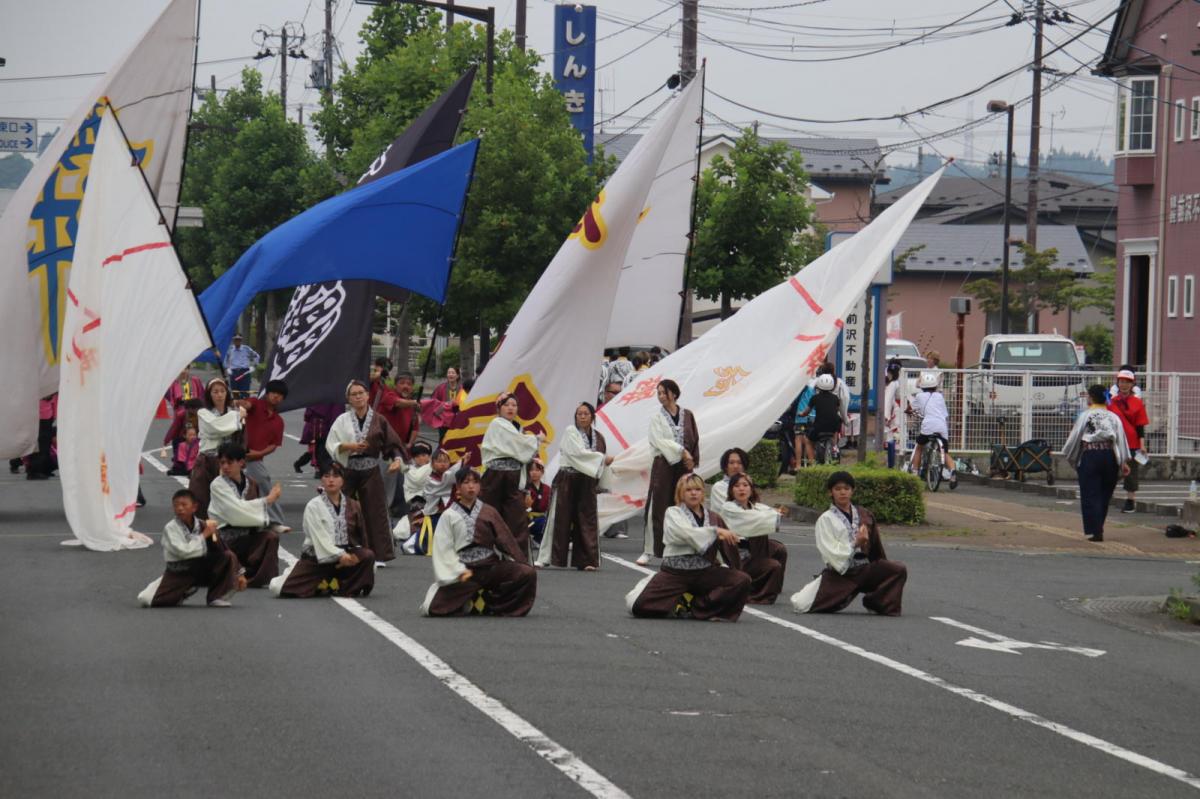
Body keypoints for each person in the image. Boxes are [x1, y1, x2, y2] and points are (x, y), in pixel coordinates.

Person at [625, 473, 751, 621]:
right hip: (676, 573)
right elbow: (684, 533)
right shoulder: (673, 512)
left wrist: (736, 555)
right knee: (639, 606)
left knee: (741, 580)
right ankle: (678, 599)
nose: (693, 493)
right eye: (688, 490)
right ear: (681, 493)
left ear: (703, 492)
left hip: (704, 572)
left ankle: (695, 606)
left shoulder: (714, 517)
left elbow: (728, 545)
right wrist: (715, 531)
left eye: (697, 489)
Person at [420, 469, 537, 617]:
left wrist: (521, 561)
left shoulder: (489, 512)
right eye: (466, 482)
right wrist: (456, 570)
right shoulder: (448, 515)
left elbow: (506, 540)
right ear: (458, 487)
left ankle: (493, 606)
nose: (471, 486)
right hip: (464, 571)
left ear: (480, 487)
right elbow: (443, 549)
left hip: (490, 567)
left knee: (527, 574)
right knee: (434, 608)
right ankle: (471, 602)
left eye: (475, 482)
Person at [790, 471, 907, 616]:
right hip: (842, 573)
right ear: (830, 492)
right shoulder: (825, 519)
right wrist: (855, 543)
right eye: (838, 489)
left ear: (852, 491)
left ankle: (875, 602)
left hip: (865, 567)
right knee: (801, 604)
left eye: (846, 488)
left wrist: (880, 565)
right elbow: (830, 551)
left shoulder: (864, 514)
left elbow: (875, 545)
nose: (843, 492)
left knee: (897, 570)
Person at [326, 380, 405, 563]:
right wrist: (349, 446)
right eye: (354, 394)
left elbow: (392, 443)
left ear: (368, 395)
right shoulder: (342, 420)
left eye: (361, 393)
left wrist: (397, 460)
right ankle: (340, 550)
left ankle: (379, 554)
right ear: (348, 399)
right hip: (347, 469)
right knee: (342, 509)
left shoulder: (379, 420)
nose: (358, 397)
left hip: (371, 469)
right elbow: (331, 443)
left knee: (375, 510)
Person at [270, 463, 375, 598]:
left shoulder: (353, 505)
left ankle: (342, 586)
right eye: (327, 476)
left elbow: (362, 535)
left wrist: (357, 555)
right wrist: (339, 554)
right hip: (317, 559)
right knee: (284, 588)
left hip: (344, 558)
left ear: (343, 480)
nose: (331, 480)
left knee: (367, 556)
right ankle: (322, 583)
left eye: (336, 476)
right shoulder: (313, 506)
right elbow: (319, 538)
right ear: (321, 480)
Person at [537, 402, 613, 570]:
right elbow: (577, 454)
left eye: (586, 413)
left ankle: (587, 560)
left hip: (586, 481)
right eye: (579, 414)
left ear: (592, 416)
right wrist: (601, 458)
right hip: (567, 478)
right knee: (558, 519)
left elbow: (599, 460)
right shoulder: (570, 432)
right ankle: (545, 557)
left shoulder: (599, 437)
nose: (583, 417)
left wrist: (600, 477)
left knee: (587, 520)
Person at [137, 489, 243, 608]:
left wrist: (239, 572)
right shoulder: (170, 528)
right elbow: (183, 551)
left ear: (194, 507)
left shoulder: (203, 525)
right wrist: (204, 535)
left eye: (184, 505)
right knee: (150, 601)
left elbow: (222, 548)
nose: (180, 508)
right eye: (176, 505)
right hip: (180, 571)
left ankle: (216, 596)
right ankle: (184, 590)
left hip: (201, 567)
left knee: (227, 556)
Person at [640, 379, 699, 566]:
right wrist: (682, 451)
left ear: (673, 393)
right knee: (657, 507)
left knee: (685, 505)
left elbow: (694, 438)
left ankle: (684, 548)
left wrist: (691, 459)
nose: (661, 396)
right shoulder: (657, 418)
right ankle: (650, 550)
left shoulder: (687, 415)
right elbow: (659, 441)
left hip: (684, 466)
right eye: (658, 393)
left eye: (664, 392)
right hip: (664, 465)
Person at [209, 442, 284, 588]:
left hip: (247, 537)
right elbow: (236, 511)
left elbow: (254, 514)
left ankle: (257, 578)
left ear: (241, 462)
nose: (225, 466)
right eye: (222, 462)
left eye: (229, 462)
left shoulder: (251, 483)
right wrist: (267, 501)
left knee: (271, 537)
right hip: (226, 540)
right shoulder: (217, 485)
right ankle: (236, 572)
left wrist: (272, 525)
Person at [479, 393, 544, 558]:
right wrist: (536, 439)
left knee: (516, 519)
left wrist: (526, 488)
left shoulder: (517, 428)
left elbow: (523, 453)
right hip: (495, 477)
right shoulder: (497, 423)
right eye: (506, 405)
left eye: (514, 405)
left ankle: (515, 558)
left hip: (513, 476)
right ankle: (483, 555)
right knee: (488, 515)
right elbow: (520, 444)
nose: (510, 408)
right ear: (499, 408)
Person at [1063, 385, 1131, 542]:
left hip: (1090, 455)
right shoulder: (1114, 417)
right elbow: (1121, 439)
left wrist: (1073, 457)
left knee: (1090, 493)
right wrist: (1123, 462)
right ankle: (1099, 526)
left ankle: (1095, 530)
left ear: (1091, 397)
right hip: (1110, 456)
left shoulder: (1085, 416)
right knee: (1105, 494)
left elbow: (1075, 438)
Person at [720, 474, 787, 604]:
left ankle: (775, 586)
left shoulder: (755, 506)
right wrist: (774, 515)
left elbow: (764, 513)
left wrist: (776, 512)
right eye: (737, 486)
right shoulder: (728, 508)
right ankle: (755, 594)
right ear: (731, 490)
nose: (741, 489)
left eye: (745, 485)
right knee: (774, 566)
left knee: (779, 549)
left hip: (755, 550)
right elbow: (752, 518)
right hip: (739, 556)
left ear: (751, 489)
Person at [236, 379, 290, 534]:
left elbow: (274, 445)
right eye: (273, 393)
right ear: (267, 393)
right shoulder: (256, 404)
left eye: (280, 395)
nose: (276, 397)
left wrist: (259, 454)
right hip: (236, 454)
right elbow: (247, 405)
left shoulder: (278, 421)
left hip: (254, 460)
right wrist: (241, 403)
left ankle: (274, 521)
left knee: (263, 482)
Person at [188, 377, 242, 517]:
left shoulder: (233, 411)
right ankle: (202, 526)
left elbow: (240, 434)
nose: (219, 395)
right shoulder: (203, 413)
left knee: (228, 499)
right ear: (209, 394)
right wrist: (237, 417)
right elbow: (216, 427)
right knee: (201, 496)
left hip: (228, 461)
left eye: (222, 391)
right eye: (215, 391)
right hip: (207, 460)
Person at [1108, 368, 1149, 514]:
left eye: (1127, 382)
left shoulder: (1137, 403)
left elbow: (1140, 426)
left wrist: (1142, 445)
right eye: (1121, 381)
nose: (1124, 385)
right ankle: (1107, 496)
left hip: (1132, 442)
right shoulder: (1111, 402)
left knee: (1131, 473)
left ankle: (1130, 501)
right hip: (1114, 442)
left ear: (1132, 384)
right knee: (1110, 469)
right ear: (1117, 383)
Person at [907, 371, 957, 488]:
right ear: (935, 386)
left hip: (928, 426)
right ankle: (953, 472)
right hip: (941, 426)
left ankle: (915, 473)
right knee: (944, 452)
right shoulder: (940, 396)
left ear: (922, 387)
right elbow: (945, 414)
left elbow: (910, 408)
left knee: (919, 447)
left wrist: (909, 412)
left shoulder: (919, 396)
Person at [798, 374, 842, 464]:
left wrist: (801, 414)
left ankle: (812, 464)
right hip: (833, 425)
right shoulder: (835, 398)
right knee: (835, 429)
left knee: (808, 440)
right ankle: (834, 447)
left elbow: (806, 412)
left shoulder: (814, 398)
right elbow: (836, 411)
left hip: (819, 426)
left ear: (818, 385)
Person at [294, 402, 342, 477]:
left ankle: (319, 469)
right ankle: (321, 469)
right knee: (321, 450)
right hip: (324, 428)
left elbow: (307, 415)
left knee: (316, 450)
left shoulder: (316, 399)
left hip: (315, 427)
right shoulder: (336, 400)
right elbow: (336, 415)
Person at [425, 366, 465, 442]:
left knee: (457, 441)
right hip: (444, 420)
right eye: (449, 373)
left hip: (458, 419)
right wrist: (444, 405)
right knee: (443, 440)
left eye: (453, 373)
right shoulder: (441, 387)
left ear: (457, 375)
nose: (450, 374)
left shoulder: (462, 389)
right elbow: (433, 401)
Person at [25, 393, 58, 480]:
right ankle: (34, 471)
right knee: (41, 444)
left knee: (45, 445)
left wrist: (54, 414)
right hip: (40, 416)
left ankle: (43, 469)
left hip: (47, 415)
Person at [708, 447, 750, 513]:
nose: (735, 466)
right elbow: (731, 511)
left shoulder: (749, 485)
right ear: (725, 466)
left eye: (739, 463)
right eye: (731, 463)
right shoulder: (719, 487)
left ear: (744, 466)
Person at [883, 360, 905, 469]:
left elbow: (888, 400)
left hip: (895, 412)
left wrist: (886, 416)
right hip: (899, 410)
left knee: (892, 437)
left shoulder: (892, 384)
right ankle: (897, 464)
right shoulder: (900, 381)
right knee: (898, 437)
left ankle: (892, 464)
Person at [222, 333, 259, 399]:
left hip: (244, 373)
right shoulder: (230, 349)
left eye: (239, 339)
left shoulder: (246, 349)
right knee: (235, 392)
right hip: (234, 373)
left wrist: (254, 366)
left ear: (241, 340)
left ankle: (244, 404)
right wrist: (227, 368)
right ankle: (236, 404)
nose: (237, 341)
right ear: (233, 340)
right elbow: (225, 360)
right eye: (236, 340)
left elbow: (256, 356)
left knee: (245, 393)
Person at [525, 460, 552, 550]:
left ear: (542, 472)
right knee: (544, 523)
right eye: (532, 470)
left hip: (542, 519)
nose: (534, 472)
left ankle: (537, 540)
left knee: (550, 522)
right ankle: (535, 540)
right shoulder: (525, 488)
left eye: (537, 470)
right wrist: (528, 507)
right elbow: (524, 508)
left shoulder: (547, 489)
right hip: (528, 521)